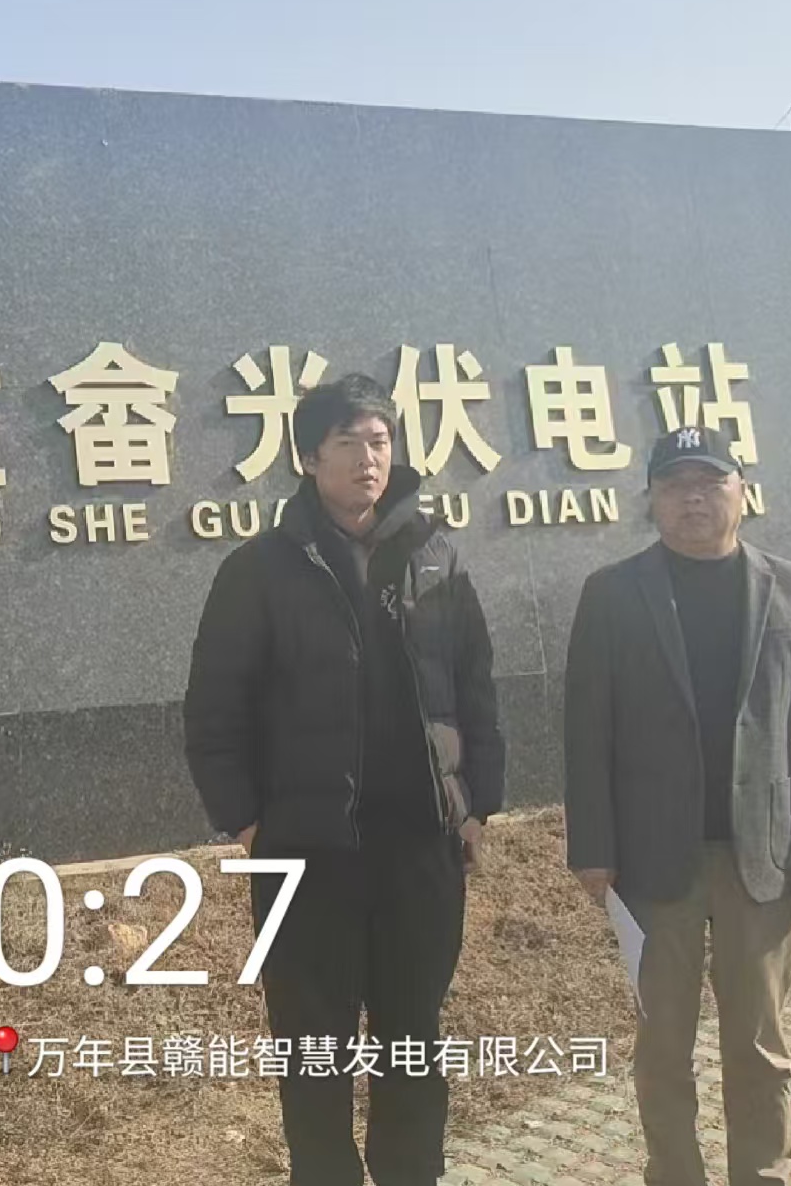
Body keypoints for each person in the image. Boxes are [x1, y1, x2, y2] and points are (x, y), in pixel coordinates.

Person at [183, 372, 505, 1186]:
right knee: (311, 1045)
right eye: (348, 442)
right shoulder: (260, 570)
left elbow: (475, 687)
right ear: (307, 457)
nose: (368, 458)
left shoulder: (435, 555)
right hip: (306, 854)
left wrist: (476, 807)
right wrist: (249, 823)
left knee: (413, 1037)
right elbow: (214, 709)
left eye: (380, 441)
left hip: (418, 848)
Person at [563, 424, 791, 1186]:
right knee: (663, 1045)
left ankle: (762, 1174)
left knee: (760, 1044)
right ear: (652, 499)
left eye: (709, 481)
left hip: (764, 855)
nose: (692, 498)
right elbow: (586, 731)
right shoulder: (613, 593)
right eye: (674, 485)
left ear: (740, 491)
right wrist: (592, 846)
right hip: (652, 858)